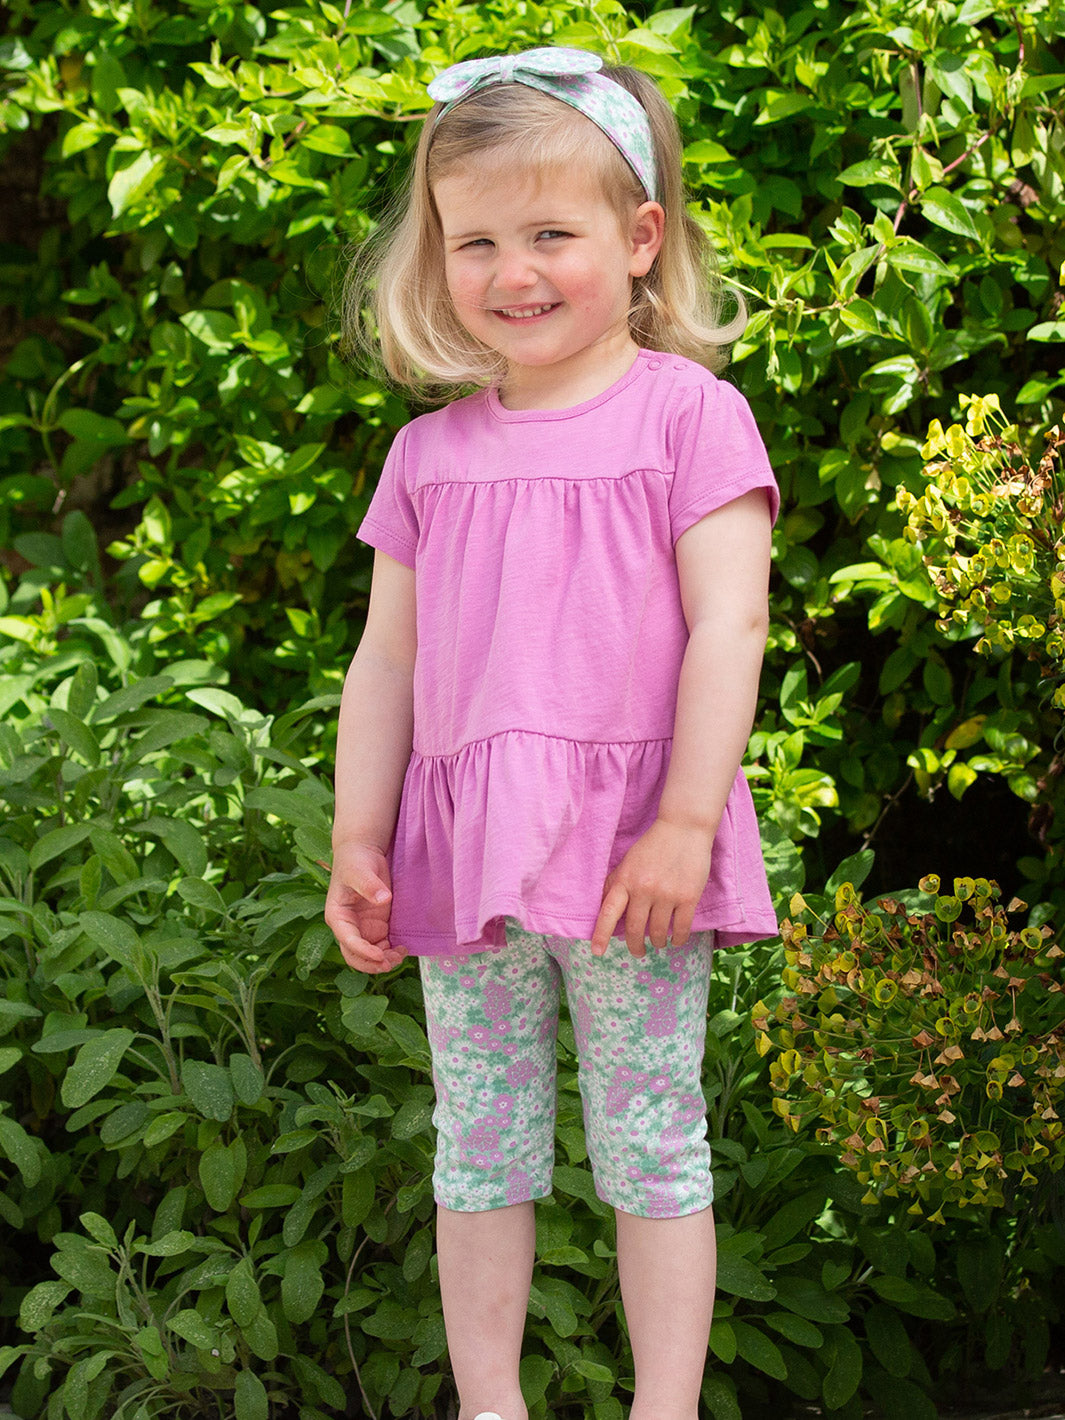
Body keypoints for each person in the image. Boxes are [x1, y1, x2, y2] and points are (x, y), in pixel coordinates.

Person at [325, 45, 779, 1420]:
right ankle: (490, 1405)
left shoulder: (690, 420)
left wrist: (685, 824)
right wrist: (357, 835)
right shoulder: (431, 455)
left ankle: (663, 1410)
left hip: (633, 853)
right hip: (467, 854)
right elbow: (387, 659)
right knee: (478, 1147)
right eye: (475, 241)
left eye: (549, 235)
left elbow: (731, 627)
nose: (511, 272)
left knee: (651, 1140)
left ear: (638, 239)